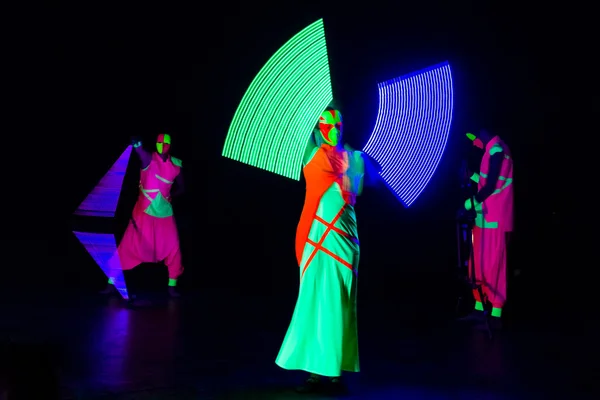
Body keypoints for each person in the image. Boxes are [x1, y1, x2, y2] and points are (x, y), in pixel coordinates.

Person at [275, 107, 378, 395]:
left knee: (338, 302)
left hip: (344, 237)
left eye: (337, 124)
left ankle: (333, 371)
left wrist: (356, 169)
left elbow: (361, 190)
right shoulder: (311, 154)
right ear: (318, 126)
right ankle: (314, 371)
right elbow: (294, 127)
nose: (333, 129)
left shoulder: (354, 158)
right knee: (313, 301)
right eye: (326, 124)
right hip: (315, 235)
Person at [101, 133, 185, 298]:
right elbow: (141, 153)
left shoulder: (176, 164)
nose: (163, 145)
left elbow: (182, 188)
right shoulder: (149, 159)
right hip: (143, 212)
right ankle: (110, 284)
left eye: (166, 142)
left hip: (165, 214)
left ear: (171, 144)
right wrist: (138, 145)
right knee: (127, 246)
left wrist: (169, 197)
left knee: (173, 248)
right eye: (160, 142)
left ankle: (172, 287)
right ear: (156, 143)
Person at [460, 129, 514, 328]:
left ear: (480, 134)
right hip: (484, 219)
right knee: (478, 264)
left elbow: (491, 186)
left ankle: (496, 315)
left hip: (495, 220)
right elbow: (487, 181)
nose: (474, 144)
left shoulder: (497, 151)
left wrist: (468, 204)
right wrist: (472, 175)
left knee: (494, 266)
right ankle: (479, 308)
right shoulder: (492, 151)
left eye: (473, 139)